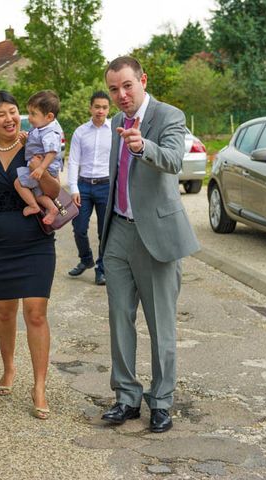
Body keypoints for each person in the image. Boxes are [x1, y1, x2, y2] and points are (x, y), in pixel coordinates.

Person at [99, 56, 199, 433]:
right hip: (119, 232)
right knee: (119, 322)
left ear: (142, 79)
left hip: (155, 235)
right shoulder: (113, 124)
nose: (121, 94)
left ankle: (161, 400)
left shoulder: (169, 115)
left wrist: (143, 147)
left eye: (127, 85)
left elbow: (174, 160)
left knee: (161, 325)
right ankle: (126, 397)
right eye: (113, 89)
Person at [0, 90, 58, 420]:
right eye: (1, 114)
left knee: (35, 313)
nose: (9, 119)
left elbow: (53, 190)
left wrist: (41, 170)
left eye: (14, 112)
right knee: (5, 312)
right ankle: (8, 367)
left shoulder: (33, 143)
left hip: (35, 237)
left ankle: (39, 386)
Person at [67, 91, 112, 286]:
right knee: (79, 228)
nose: (100, 111)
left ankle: (101, 269)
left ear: (109, 109)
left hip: (106, 186)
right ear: (90, 108)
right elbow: (73, 161)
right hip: (84, 186)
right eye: (97, 107)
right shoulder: (80, 132)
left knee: (105, 231)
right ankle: (86, 259)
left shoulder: (114, 130)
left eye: (104, 107)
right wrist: (74, 188)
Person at [14, 90, 64, 225]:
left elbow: (52, 152)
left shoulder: (50, 132)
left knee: (18, 183)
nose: (29, 118)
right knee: (39, 194)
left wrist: (41, 168)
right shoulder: (40, 127)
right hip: (39, 167)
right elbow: (34, 146)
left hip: (43, 168)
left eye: (33, 114)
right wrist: (25, 142)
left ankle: (34, 206)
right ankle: (52, 209)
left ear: (49, 116)